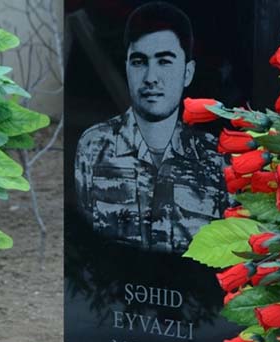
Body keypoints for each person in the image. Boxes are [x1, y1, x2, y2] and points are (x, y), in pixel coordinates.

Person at [74, 1, 228, 254]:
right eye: (139, 62)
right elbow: (85, 247)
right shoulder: (94, 147)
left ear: (187, 73)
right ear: (126, 67)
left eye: (164, 61)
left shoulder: (215, 157)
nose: (150, 78)